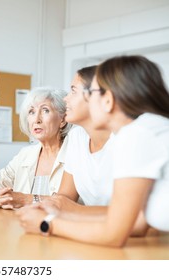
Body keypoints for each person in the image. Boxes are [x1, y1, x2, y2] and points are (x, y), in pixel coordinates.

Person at [17, 55, 169, 246]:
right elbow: (131, 220)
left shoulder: (139, 134)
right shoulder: (144, 129)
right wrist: (59, 211)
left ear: (108, 100)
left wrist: (46, 224)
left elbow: (115, 233)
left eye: (93, 92)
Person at [0, 87, 71, 209]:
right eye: (31, 112)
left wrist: (24, 199)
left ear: (63, 120)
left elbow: (68, 203)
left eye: (45, 110)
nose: (36, 120)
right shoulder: (25, 155)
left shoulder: (74, 153)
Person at [41, 65, 114, 215]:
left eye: (73, 91)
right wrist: (41, 208)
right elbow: (65, 197)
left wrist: (71, 210)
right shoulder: (76, 137)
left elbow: (128, 215)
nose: (65, 98)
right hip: (91, 227)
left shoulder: (125, 139)